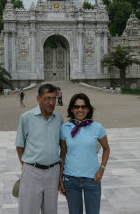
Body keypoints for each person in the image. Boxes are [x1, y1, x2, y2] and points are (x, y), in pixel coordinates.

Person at [15, 84, 64, 214]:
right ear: (38, 99)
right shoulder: (26, 118)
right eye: (47, 98)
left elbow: (62, 146)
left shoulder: (59, 119)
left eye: (54, 99)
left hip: (53, 172)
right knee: (28, 210)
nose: (51, 102)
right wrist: (25, 165)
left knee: (51, 210)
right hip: (32, 171)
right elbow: (19, 146)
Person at [59, 93, 110, 214]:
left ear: (88, 109)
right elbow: (63, 153)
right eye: (76, 107)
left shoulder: (97, 127)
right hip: (70, 179)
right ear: (72, 109)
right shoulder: (65, 128)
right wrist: (60, 178)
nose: (80, 110)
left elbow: (106, 149)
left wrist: (101, 169)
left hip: (92, 179)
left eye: (83, 107)